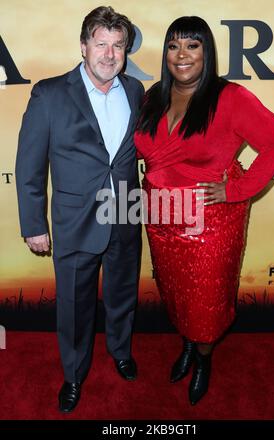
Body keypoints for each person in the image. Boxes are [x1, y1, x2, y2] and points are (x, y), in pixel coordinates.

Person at [134, 16, 274, 405]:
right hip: (161, 219)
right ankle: (188, 345)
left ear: (207, 51)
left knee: (205, 302)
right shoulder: (153, 96)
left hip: (210, 224)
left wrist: (235, 189)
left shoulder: (230, 97)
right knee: (175, 292)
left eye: (192, 45)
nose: (181, 54)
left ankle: (203, 358)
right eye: (173, 46)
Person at [15, 6, 144, 413]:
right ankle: (73, 375)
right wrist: (34, 224)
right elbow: (29, 165)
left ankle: (120, 351)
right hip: (74, 221)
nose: (109, 54)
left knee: (123, 295)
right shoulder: (50, 93)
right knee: (74, 305)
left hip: (125, 212)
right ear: (84, 46)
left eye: (118, 46)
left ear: (125, 51)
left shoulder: (137, 92)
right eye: (101, 44)